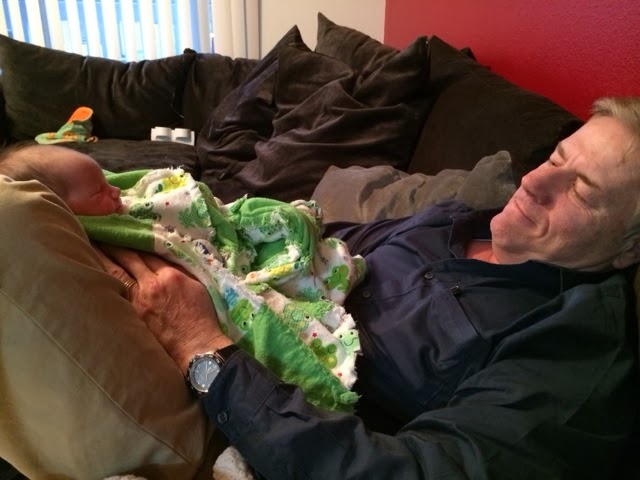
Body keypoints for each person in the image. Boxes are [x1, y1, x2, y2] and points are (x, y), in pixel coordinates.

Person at [0, 96, 639, 480]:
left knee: (12, 221)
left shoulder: (575, 348)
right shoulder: (454, 220)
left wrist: (203, 349)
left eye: (581, 190)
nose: (534, 182)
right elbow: (320, 250)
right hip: (223, 321)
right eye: (556, 157)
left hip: (238, 418)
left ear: (628, 248)